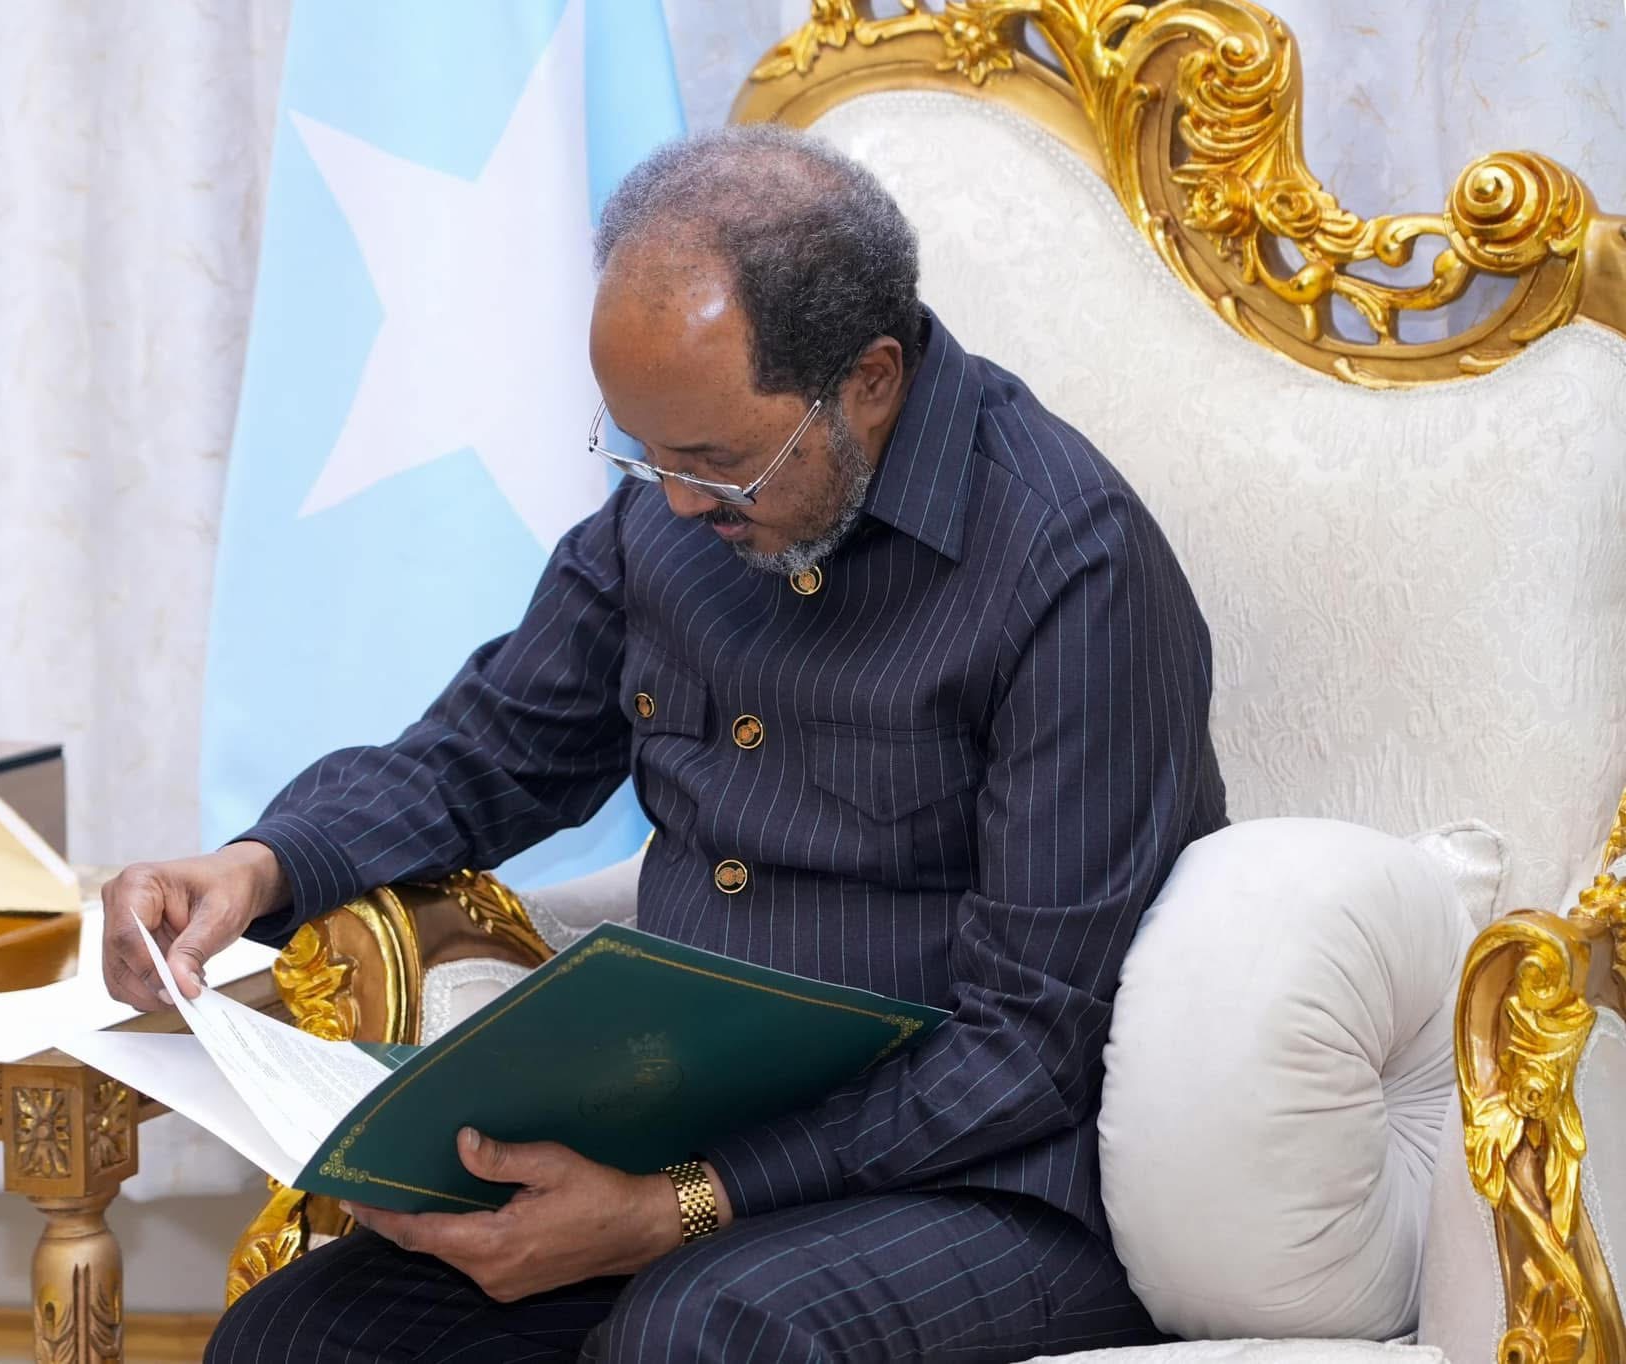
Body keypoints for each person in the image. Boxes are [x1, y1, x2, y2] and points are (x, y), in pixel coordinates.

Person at [103, 124, 1227, 1363]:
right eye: (643, 451)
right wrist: (258, 863)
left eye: (715, 462)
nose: (679, 502)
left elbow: (1027, 1043)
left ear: (866, 379)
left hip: (984, 1180)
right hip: (678, 1143)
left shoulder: (1072, 566)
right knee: (302, 1337)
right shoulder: (672, 519)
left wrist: (675, 1206)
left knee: (696, 1334)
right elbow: (486, 751)